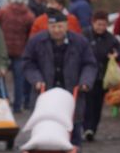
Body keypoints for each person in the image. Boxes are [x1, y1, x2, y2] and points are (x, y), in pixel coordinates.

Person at [22, 12, 98, 145]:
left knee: (72, 127)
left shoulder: (80, 42)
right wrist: (36, 80)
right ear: (48, 26)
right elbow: (28, 63)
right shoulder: (37, 41)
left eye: (60, 26)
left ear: (67, 26)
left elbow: (89, 64)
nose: (56, 30)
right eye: (53, 27)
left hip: (71, 92)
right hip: (44, 93)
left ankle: (73, 152)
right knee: (44, 126)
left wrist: (85, 82)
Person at [0, 0, 36, 113]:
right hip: (20, 52)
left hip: (3, 51)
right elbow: (31, 35)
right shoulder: (29, 15)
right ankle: (18, 106)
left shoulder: (3, 11)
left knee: (0, 78)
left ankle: (4, 100)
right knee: (19, 81)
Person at [84, 11, 120, 141]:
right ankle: (87, 127)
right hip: (86, 75)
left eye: (104, 25)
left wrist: (116, 55)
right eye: (98, 24)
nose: (101, 27)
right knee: (87, 103)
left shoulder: (110, 38)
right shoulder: (85, 35)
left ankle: (93, 128)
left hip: (101, 76)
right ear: (93, 23)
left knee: (98, 104)